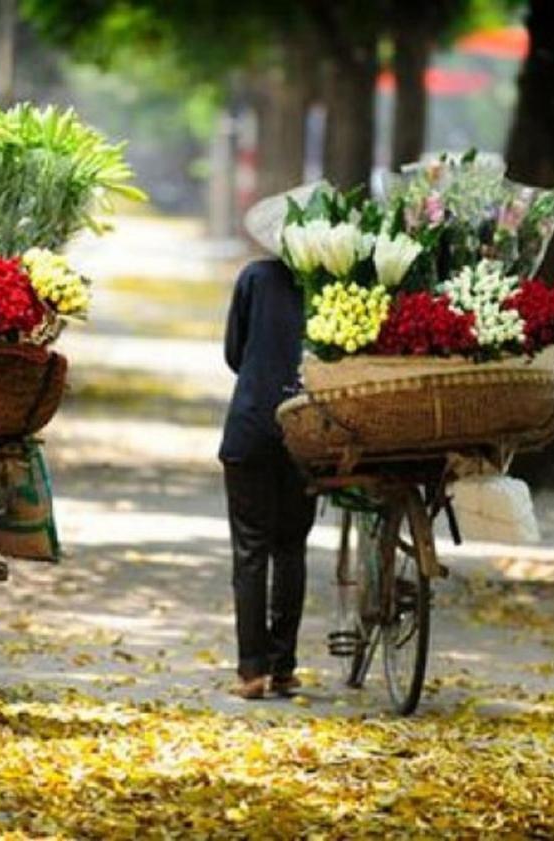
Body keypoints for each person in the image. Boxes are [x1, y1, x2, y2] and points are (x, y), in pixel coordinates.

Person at [219, 186, 322, 700]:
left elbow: (235, 353)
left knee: (251, 548)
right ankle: (283, 667)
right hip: (310, 431)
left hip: (253, 425)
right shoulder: (330, 287)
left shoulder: (255, 278)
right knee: (290, 546)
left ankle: (251, 672)